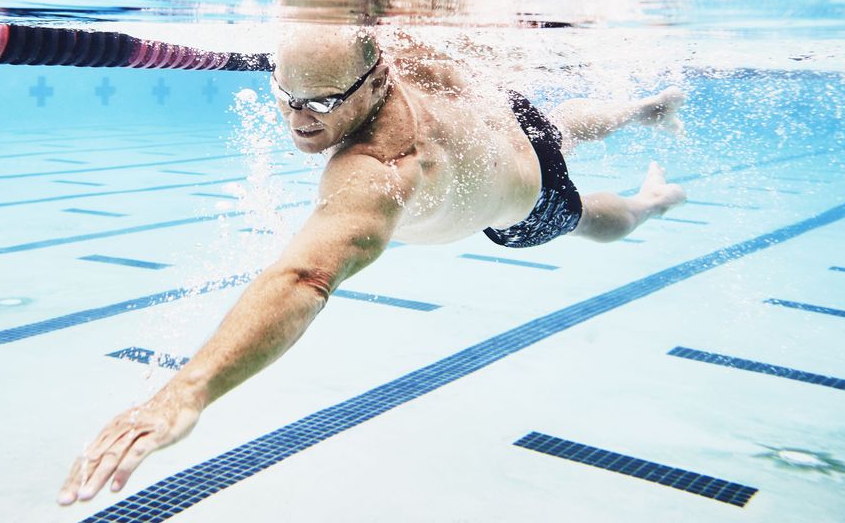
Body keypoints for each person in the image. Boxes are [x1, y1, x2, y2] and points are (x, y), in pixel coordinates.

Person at [57, 28, 687, 506]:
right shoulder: (387, 51)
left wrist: (189, 389)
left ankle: (649, 202)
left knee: (587, 217)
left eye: (323, 103)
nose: (302, 122)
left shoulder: (383, 167)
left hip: (520, 198)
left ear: (376, 81)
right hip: (499, 117)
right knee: (557, 126)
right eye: (287, 98)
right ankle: (642, 110)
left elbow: (305, 277)